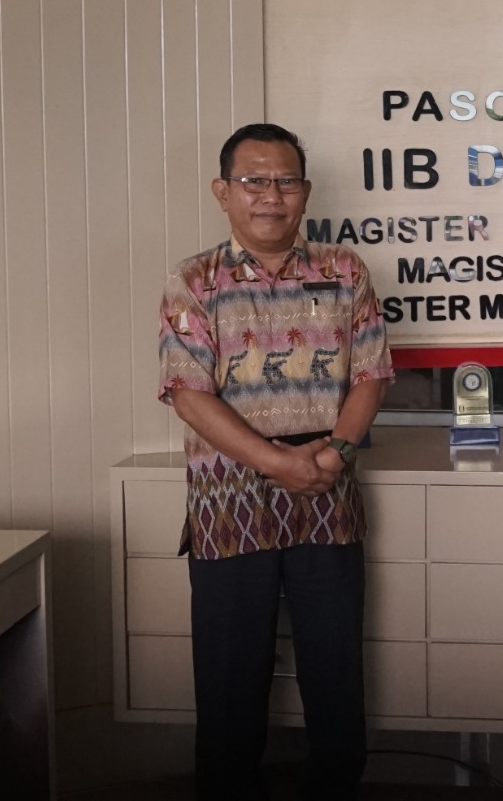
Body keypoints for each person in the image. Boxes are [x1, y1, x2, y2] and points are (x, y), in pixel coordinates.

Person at [159, 123, 393, 801]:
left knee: (335, 670)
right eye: (254, 180)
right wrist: (276, 463)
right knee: (230, 679)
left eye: (286, 180)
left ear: (306, 191)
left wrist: (336, 454)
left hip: (328, 490)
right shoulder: (194, 280)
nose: (271, 195)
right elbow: (188, 394)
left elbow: (371, 373)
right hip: (228, 501)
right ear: (223, 191)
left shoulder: (344, 270)